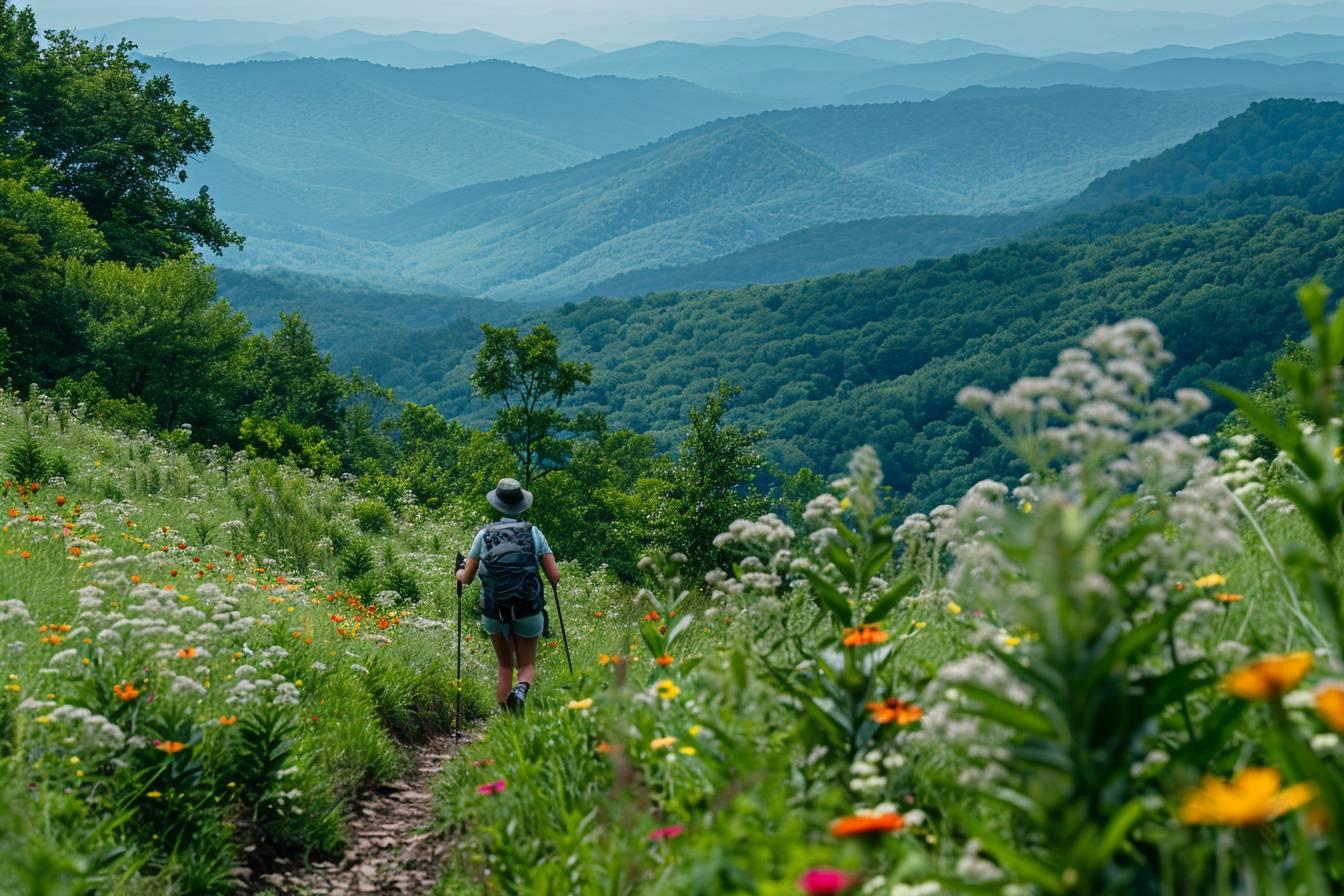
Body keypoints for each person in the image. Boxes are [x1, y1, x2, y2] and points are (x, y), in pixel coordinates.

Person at [456, 477, 560, 713]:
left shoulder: (484, 535)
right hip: (528, 608)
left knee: (505, 666)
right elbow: (554, 576)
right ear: (521, 504)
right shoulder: (533, 532)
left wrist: (458, 572)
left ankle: (504, 721)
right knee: (527, 665)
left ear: (497, 504)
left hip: (494, 610)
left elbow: (468, 578)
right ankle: (521, 691)